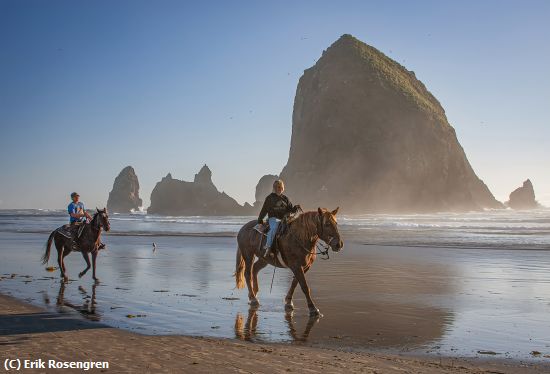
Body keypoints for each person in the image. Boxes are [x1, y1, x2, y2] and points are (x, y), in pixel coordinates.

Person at [257, 180, 301, 257]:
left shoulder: (285, 198)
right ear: (274, 188)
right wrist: (260, 221)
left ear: (282, 188)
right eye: (277, 187)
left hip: (285, 219)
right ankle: (268, 247)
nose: (279, 188)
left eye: (280, 187)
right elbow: (264, 210)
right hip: (273, 219)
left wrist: (295, 208)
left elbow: (290, 209)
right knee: (274, 228)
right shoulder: (270, 198)